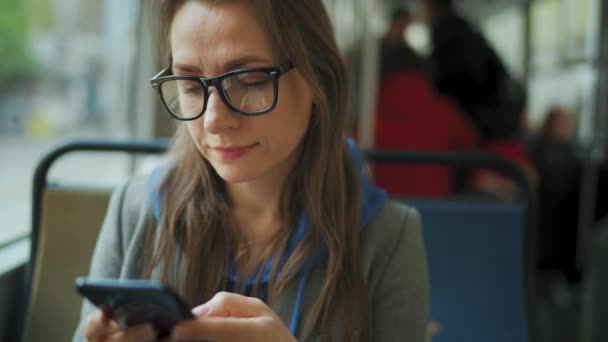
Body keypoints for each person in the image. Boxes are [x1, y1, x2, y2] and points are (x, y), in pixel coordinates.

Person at [73, 1, 429, 341]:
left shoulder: (388, 239)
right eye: (189, 84)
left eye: (251, 80)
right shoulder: (133, 212)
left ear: (317, 76)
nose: (214, 120)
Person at [374, 8, 478, 197]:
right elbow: (472, 147)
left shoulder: (367, 119)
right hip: (439, 217)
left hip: (382, 219)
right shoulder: (447, 113)